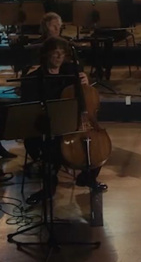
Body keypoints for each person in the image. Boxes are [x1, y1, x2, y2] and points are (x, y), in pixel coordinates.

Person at [19, 36, 108, 204]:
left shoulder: (71, 72)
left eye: (62, 53)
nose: (59, 56)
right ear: (46, 55)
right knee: (49, 148)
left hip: (75, 124)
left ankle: (87, 178)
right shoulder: (34, 78)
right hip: (48, 126)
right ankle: (49, 187)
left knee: (97, 147)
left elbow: (85, 98)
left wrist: (85, 83)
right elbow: (29, 109)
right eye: (55, 52)